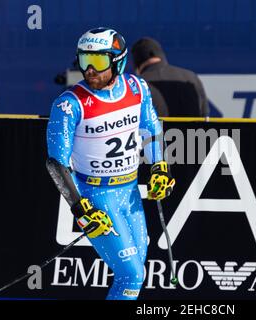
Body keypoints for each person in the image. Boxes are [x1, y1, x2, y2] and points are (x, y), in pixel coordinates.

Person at [45, 27, 175, 300]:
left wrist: (159, 167)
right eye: (84, 61)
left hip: (129, 194)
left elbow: (150, 129)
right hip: (96, 197)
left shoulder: (138, 88)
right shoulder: (69, 104)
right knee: (132, 275)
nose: (90, 69)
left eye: (99, 61)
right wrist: (81, 209)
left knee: (137, 271)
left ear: (118, 61)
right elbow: (57, 163)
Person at [131, 37, 209, 118]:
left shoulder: (138, 85)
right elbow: (204, 116)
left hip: (161, 130)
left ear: (136, 64)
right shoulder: (191, 77)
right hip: (195, 130)